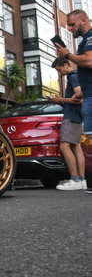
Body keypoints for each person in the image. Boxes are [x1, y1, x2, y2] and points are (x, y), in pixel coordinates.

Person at [56, 9, 92, 193]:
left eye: (72, 24)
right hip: (88, 96)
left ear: (84, 21)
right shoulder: (85, 41)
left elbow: (89, 61)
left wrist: (68, 54)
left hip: (86, 102)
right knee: (83, 144)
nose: (70, 28)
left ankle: (77, 179)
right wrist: (82, 94)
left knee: (68, 145)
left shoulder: (90, 38)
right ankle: (83, 181)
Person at [47, 57, 86, 191]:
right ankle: (81, 180)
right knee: (76, 147)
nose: (60, 73)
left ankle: (75, 180)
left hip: (71, 116)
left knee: (64, 146)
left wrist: (60, 98)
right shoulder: (76, 76)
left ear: (65, 65)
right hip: (77, 116)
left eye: (59, 70)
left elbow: (80, 99)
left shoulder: (72, 77)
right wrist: (59, 101)